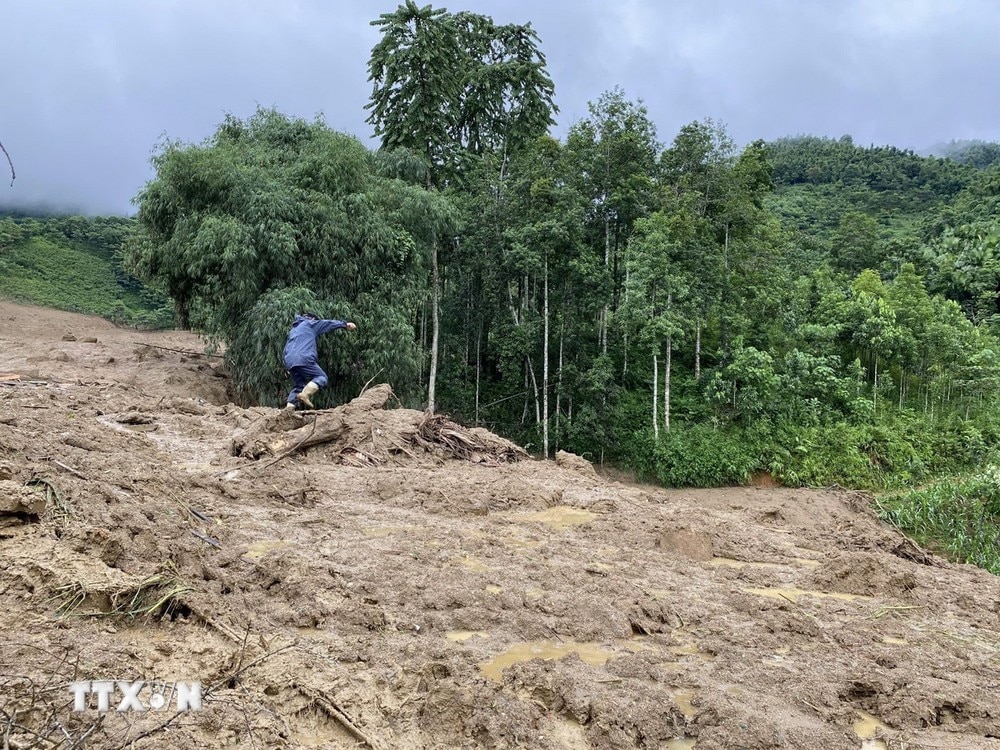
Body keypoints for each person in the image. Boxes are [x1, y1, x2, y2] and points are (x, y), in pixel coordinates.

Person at [282, 312, 357, 410]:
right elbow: (327, 323)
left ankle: (288, 410)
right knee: (321, 377)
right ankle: (305, 394)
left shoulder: (294, 330)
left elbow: (285, 349)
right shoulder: (310, 323)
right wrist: (344, 324)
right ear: (313, 319)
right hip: (303, 358)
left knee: (299, 385)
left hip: (289, 361)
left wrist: (286, 365)